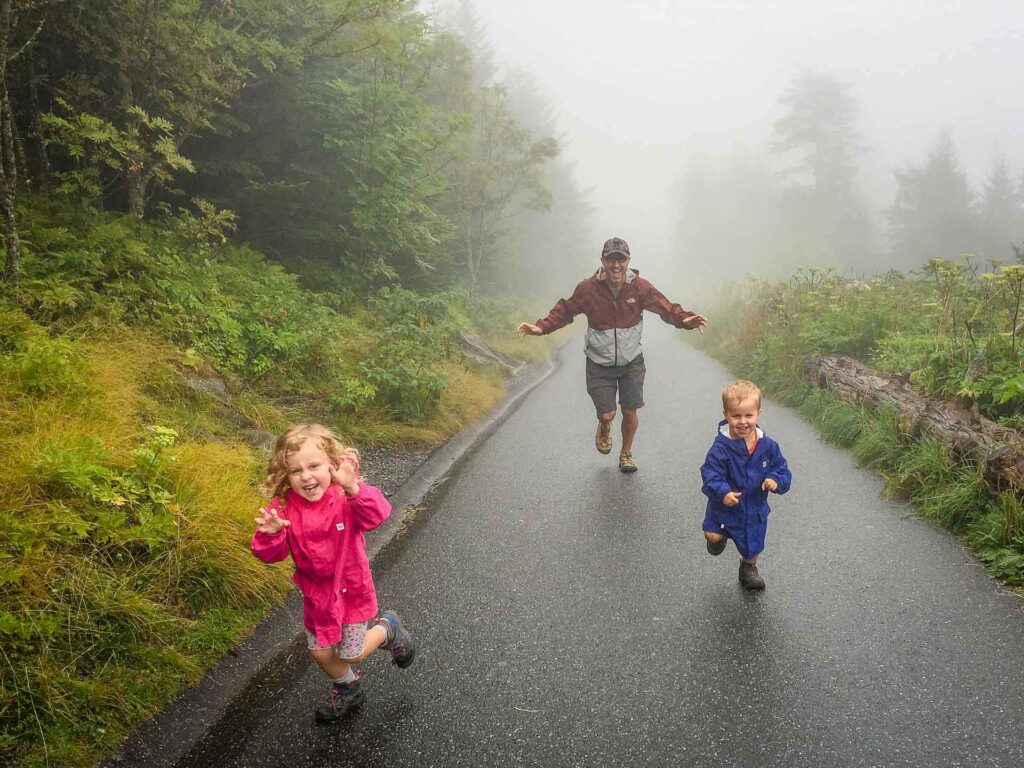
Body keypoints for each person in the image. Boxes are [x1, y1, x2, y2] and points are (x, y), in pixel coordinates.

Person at [251, 423, 416, 723]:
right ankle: (349, 688)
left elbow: (378, 514)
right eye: (296, 471)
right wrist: (271, 534)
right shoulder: (284, 507)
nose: (307, 476)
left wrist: (354, 488)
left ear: (331, 465)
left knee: (351, 652)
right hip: (318, 597)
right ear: (285, 475)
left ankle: (387, 628)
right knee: (320, 653)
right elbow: (269, 555)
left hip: (351, 591)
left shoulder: (345, 498)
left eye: (314, 466)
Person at [517, 236, 707, 473]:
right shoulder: (588, 288)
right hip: (599, 363)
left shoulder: (640, 287)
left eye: (621, 259)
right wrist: (541, 327)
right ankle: (604, 426)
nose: (616, 265)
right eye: (611, 259)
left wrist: (685, 320)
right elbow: (566, 310)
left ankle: (626, 453)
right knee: (607, 414)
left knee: (630, 410)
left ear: (628, 261)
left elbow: (665, 308)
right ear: (602, 261)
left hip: (631, 361)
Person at [700, 380, 792, 590]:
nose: (742, 421)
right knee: (712, 535)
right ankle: (718, 540)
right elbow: (710, 473)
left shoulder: (768, 446)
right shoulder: (721, 448)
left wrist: (776, 481)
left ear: (758, 413)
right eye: (736, 416)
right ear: (726, 414)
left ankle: (748, 569)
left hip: (754, 507)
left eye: (748, 415)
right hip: (724, 506)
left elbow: (782, 470)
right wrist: (723, 492)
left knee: (753, 545)